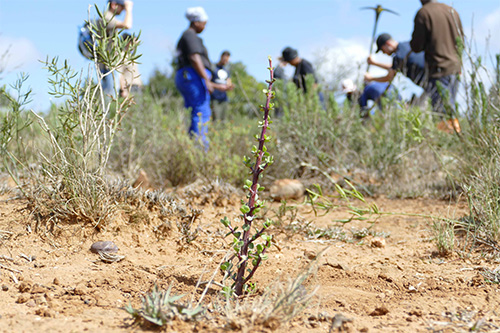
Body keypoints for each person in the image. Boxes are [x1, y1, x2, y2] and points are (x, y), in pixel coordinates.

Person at [174, 7, 230, 149]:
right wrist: (206, 79)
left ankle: (192, 147)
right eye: (204, 23)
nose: (204, 26)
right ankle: (200, 150)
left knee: (196, 112)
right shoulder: (190, 35)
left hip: (191, 76)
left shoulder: (188, 36)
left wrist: (215, 84)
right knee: (201, 113)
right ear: (196, 22)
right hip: (193, 75)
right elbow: (194, 56)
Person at [410, 0, 464, 133]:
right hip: (455, 68)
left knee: (442, 113)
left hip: (438, 69)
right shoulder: (452, 11)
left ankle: (449, 147)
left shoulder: (424, 13)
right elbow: (461, 41)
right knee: (449, 109)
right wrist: (459, 64)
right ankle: (456, 142)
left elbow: (416, 46)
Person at [97, 0, 134, 95]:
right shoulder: (106, 17)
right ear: (113, 5)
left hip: (110, 65)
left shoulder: (110, 18)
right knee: (110, 99)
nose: (123, 10)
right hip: (107, 67)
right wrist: (129, 9)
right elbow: (127, 25)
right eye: (122, 6)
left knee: (112, 97)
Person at [211, 51, 234, 121]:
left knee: (224, 120)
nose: (226, 62)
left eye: (227, 60)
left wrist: (230, 86)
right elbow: (208, 82)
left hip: (224, 98)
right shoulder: (213, 67)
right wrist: (218, 87)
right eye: (225, 60)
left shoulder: (227, 70)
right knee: (215, 119)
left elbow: (229, 82)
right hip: (214, 97)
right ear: (221, 57)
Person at [118, 33, 143, 98]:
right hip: (129, 87)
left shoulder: (131, 56)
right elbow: (120, 74)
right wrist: (123, 90)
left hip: (136, 87)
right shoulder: (122, 56)